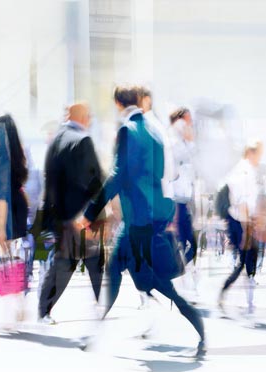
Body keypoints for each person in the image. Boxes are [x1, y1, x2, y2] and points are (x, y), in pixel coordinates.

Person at [83, 84, 206, 358]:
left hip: (138, 219)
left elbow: (118, 175)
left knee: (154, 282)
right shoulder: (155, 130)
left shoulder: (128, 130)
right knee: (118, 272)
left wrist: (91, 213)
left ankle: (198, 328)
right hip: (150, 216)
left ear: (118, 103)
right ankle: (95, 333)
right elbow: (167, 175)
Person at [35, 102, 106, 324]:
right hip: (80, 216)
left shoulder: (56, 140)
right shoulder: (83, 141)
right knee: (76, 262)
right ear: (83, 117)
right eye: (89, 115)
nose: (90, 119)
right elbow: (95, 181)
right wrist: (97, 211)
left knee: (76, 261)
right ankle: (102, 305)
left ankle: (45, 310)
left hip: (59, 215)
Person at [0, 112, 32, 324]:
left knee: (5, 259)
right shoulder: (9, 155)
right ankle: (16, 304)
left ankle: (13, 307)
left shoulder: (0, 158)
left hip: (6, 212)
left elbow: (1, 194)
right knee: (7, 259)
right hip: (11, 209)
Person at [218, 139, 266, 314]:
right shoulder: (244, 170)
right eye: (259, 154)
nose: (260, 158)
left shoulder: (246, 169)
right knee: (244, 260)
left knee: (249, 257)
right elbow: (242, 202)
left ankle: (247, 297)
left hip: (243, 221)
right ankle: (230, 294)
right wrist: (247, 228)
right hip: (240, 222)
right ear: (251, 153)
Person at [164, 107, 198, 265]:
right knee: (181, 241)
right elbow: (178, 161)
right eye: (187, 120)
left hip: (184, 198)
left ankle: (178, 268)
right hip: (174, 198)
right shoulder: (172, 140)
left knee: (188, 242)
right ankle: (173, 268)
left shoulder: (181, 141)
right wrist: (190, 142)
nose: (189, 124)